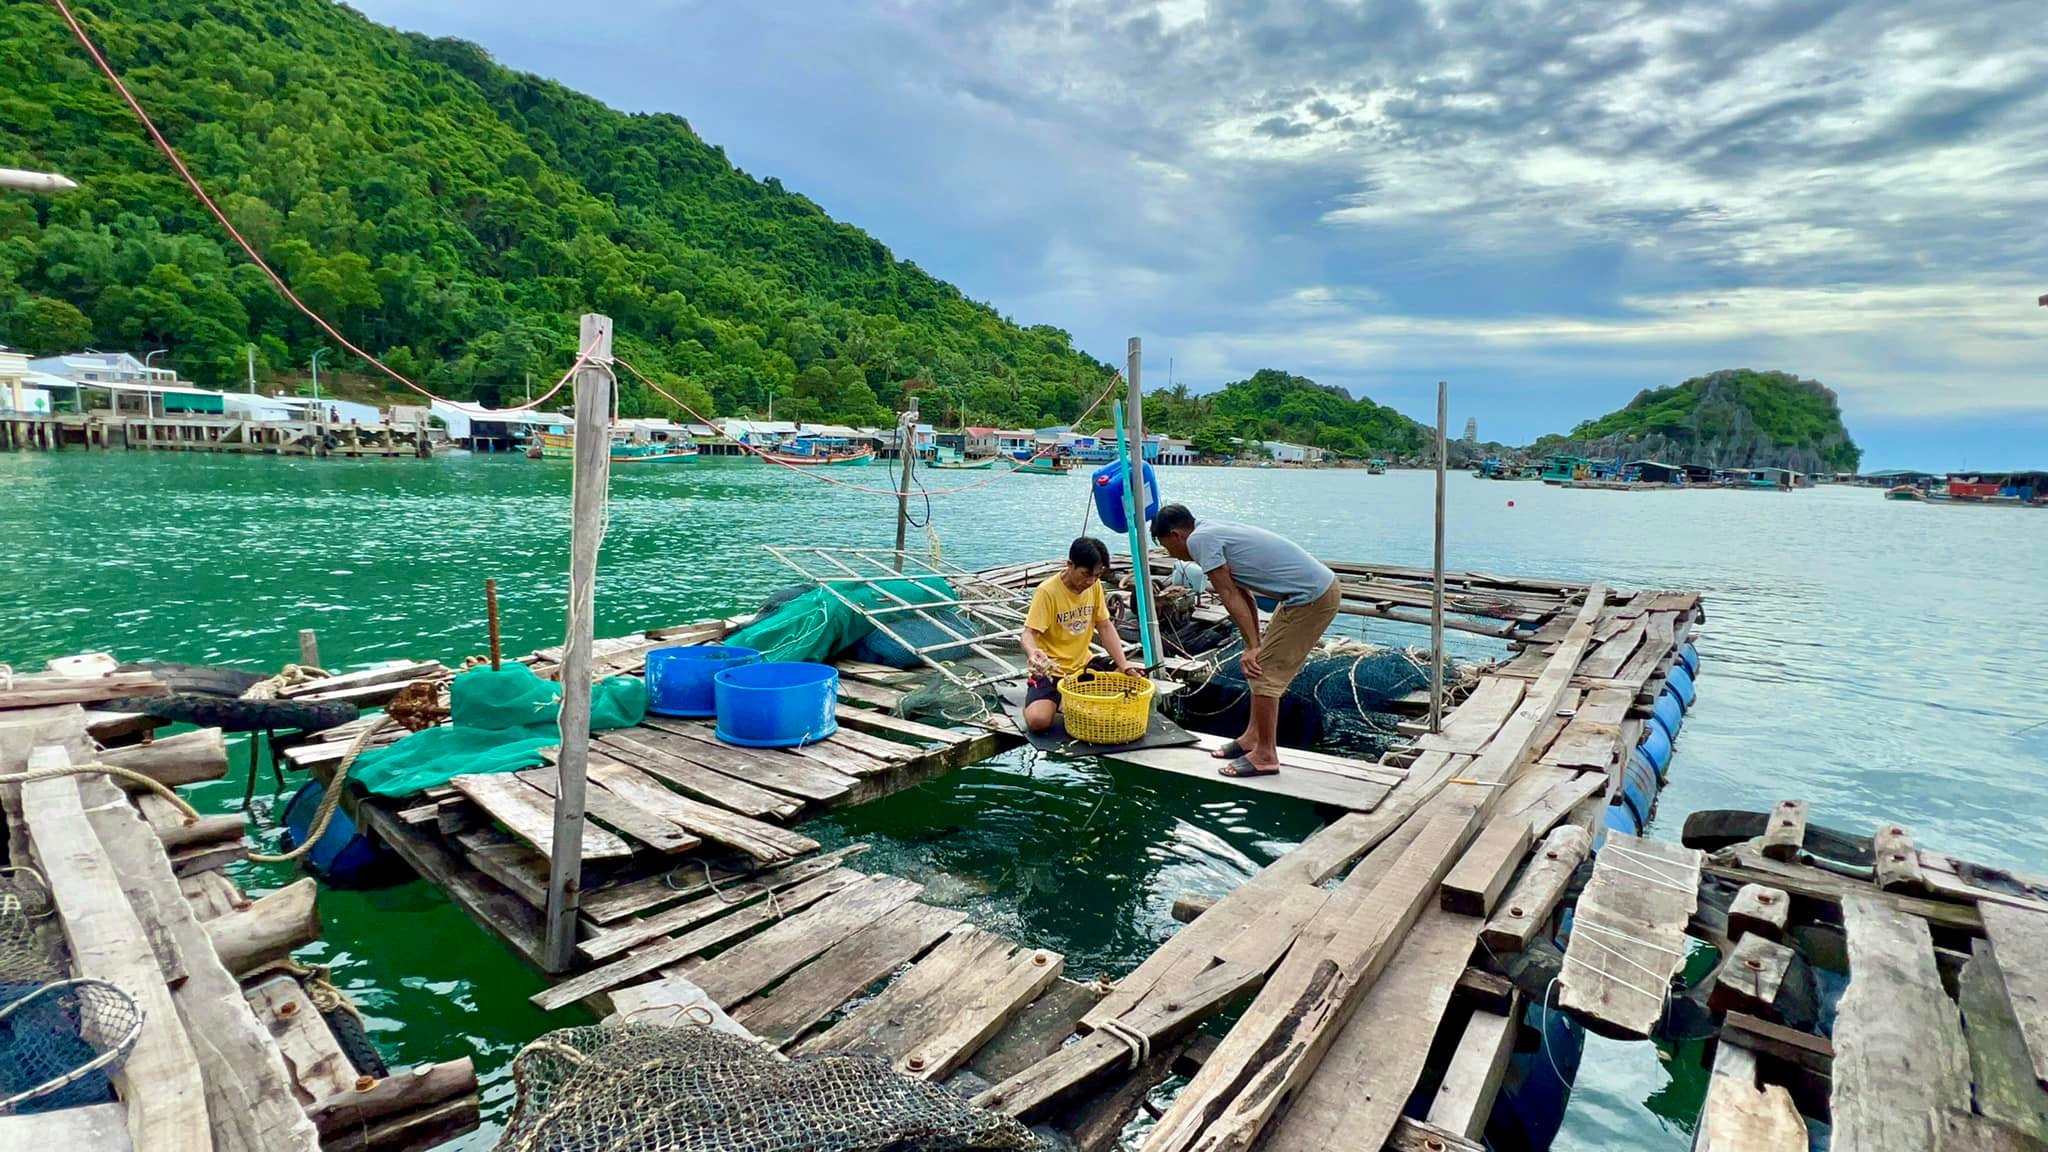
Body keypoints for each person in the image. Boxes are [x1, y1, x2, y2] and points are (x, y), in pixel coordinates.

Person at [1151, 504, 1339, 777]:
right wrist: (1254, 643)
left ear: (1176, 535)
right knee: (1258, 662)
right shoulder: (1207, 529)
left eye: (1167, 547)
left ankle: (1265, 755)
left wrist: (1252, 647)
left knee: (1264, 674)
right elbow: (1242, 592)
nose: (1170, 555)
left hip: (1312, 598)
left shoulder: (1199, 540)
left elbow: (1227, 593)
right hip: (1305, 595)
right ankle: (1252, 737)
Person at [1020, 536, 1139, 734]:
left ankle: (1070, 699)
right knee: (1038, 721)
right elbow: (1028, 633)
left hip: (1084, 667)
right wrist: (1033, 653)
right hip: (1051, 671)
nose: (1091, 581)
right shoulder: (1046, 592)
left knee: (1135, 677)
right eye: (1086, 574)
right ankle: (1052, 699)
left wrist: (1123, 663)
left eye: (1097, 575)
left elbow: (1105, 626)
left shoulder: (1094, 587)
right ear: (1070, 565)